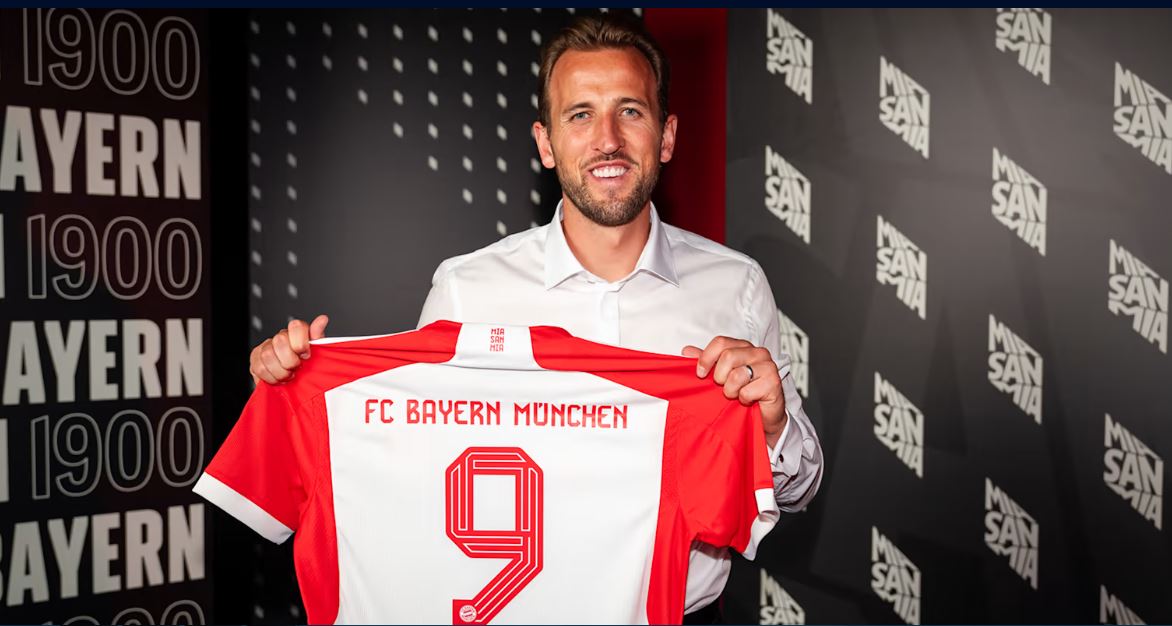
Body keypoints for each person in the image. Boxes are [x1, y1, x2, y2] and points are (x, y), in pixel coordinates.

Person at [248, 13, 822, 624]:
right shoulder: (467, 290)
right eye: (580, 115)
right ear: (546, 144)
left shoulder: (736, 285)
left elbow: (797, 490)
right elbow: (403, 474)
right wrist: (299, 394)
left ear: (667, 135)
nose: (607, 139)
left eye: (630, 111)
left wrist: (772, 428)